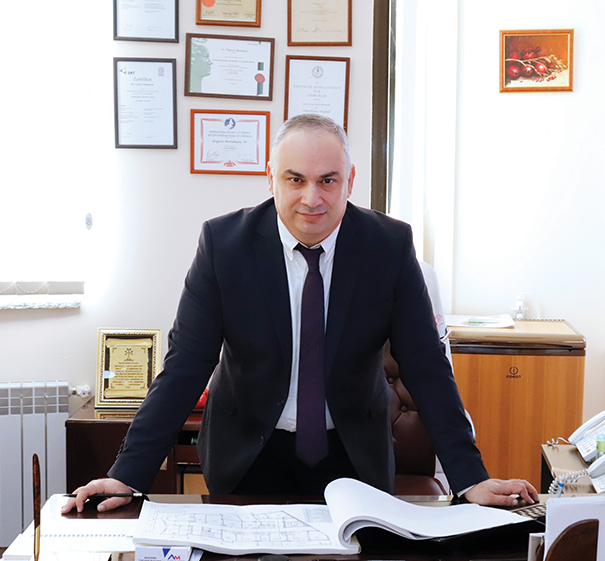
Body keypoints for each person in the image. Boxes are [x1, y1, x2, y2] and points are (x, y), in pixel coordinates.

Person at [64, 114, 538, 513]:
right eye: (295, 180)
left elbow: (426, 366)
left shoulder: (389, 247)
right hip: (248, 453)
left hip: (353, 454)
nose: (312, 198)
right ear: (270, 177)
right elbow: (186, 365)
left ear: (350, 180)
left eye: (328, 180)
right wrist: (128, 475)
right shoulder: (224, 247)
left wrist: (470, 478)